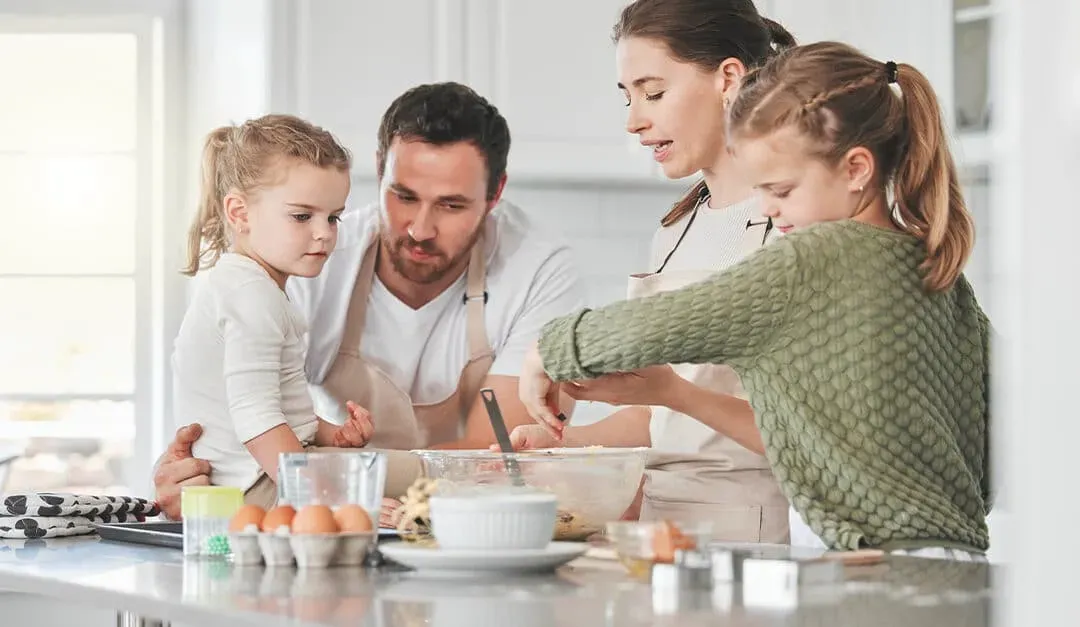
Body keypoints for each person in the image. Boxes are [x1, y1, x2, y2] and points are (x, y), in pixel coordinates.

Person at [519, 42, 993, 557]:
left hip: (875, 569)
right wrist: (675, 392)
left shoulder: (816, 254)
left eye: (783, 190)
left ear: (856, 169)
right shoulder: (936, 271)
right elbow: (979, 457)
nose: (768, 208)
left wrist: (548, 350)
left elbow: (650, 327)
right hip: (954, 559)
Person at [154, 83, 583, 520]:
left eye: (451, 205)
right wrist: (190, 476)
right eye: (404, 196)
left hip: (459, 510)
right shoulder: (306, 258)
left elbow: (496, 455)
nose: (420, 228)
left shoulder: (537, 268)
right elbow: (252, 414)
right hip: (313, 494)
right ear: (379, 171)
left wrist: (335, 450)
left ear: (495, 194)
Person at [503, 0, 795, 543]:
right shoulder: (676, 229)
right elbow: (656, 414)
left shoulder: (791, 223)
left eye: (653, 92)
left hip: (749, 534)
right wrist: (565, 447)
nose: (634, 120)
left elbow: (800, 436)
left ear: (728, 78)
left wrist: (564, 348)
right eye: (629, 96)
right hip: (659, 533)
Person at [173, 114, 376, 493]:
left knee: (398, 479)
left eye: (333, 218)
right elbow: (256, 417)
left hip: (262, 473)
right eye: (302, 216)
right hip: (254, 484)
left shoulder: (252, 287)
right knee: (415, 480)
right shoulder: (251, 295)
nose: (324, 233)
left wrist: (334, 435)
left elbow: (276, 406)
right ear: (239, 213)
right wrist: (319, 500)